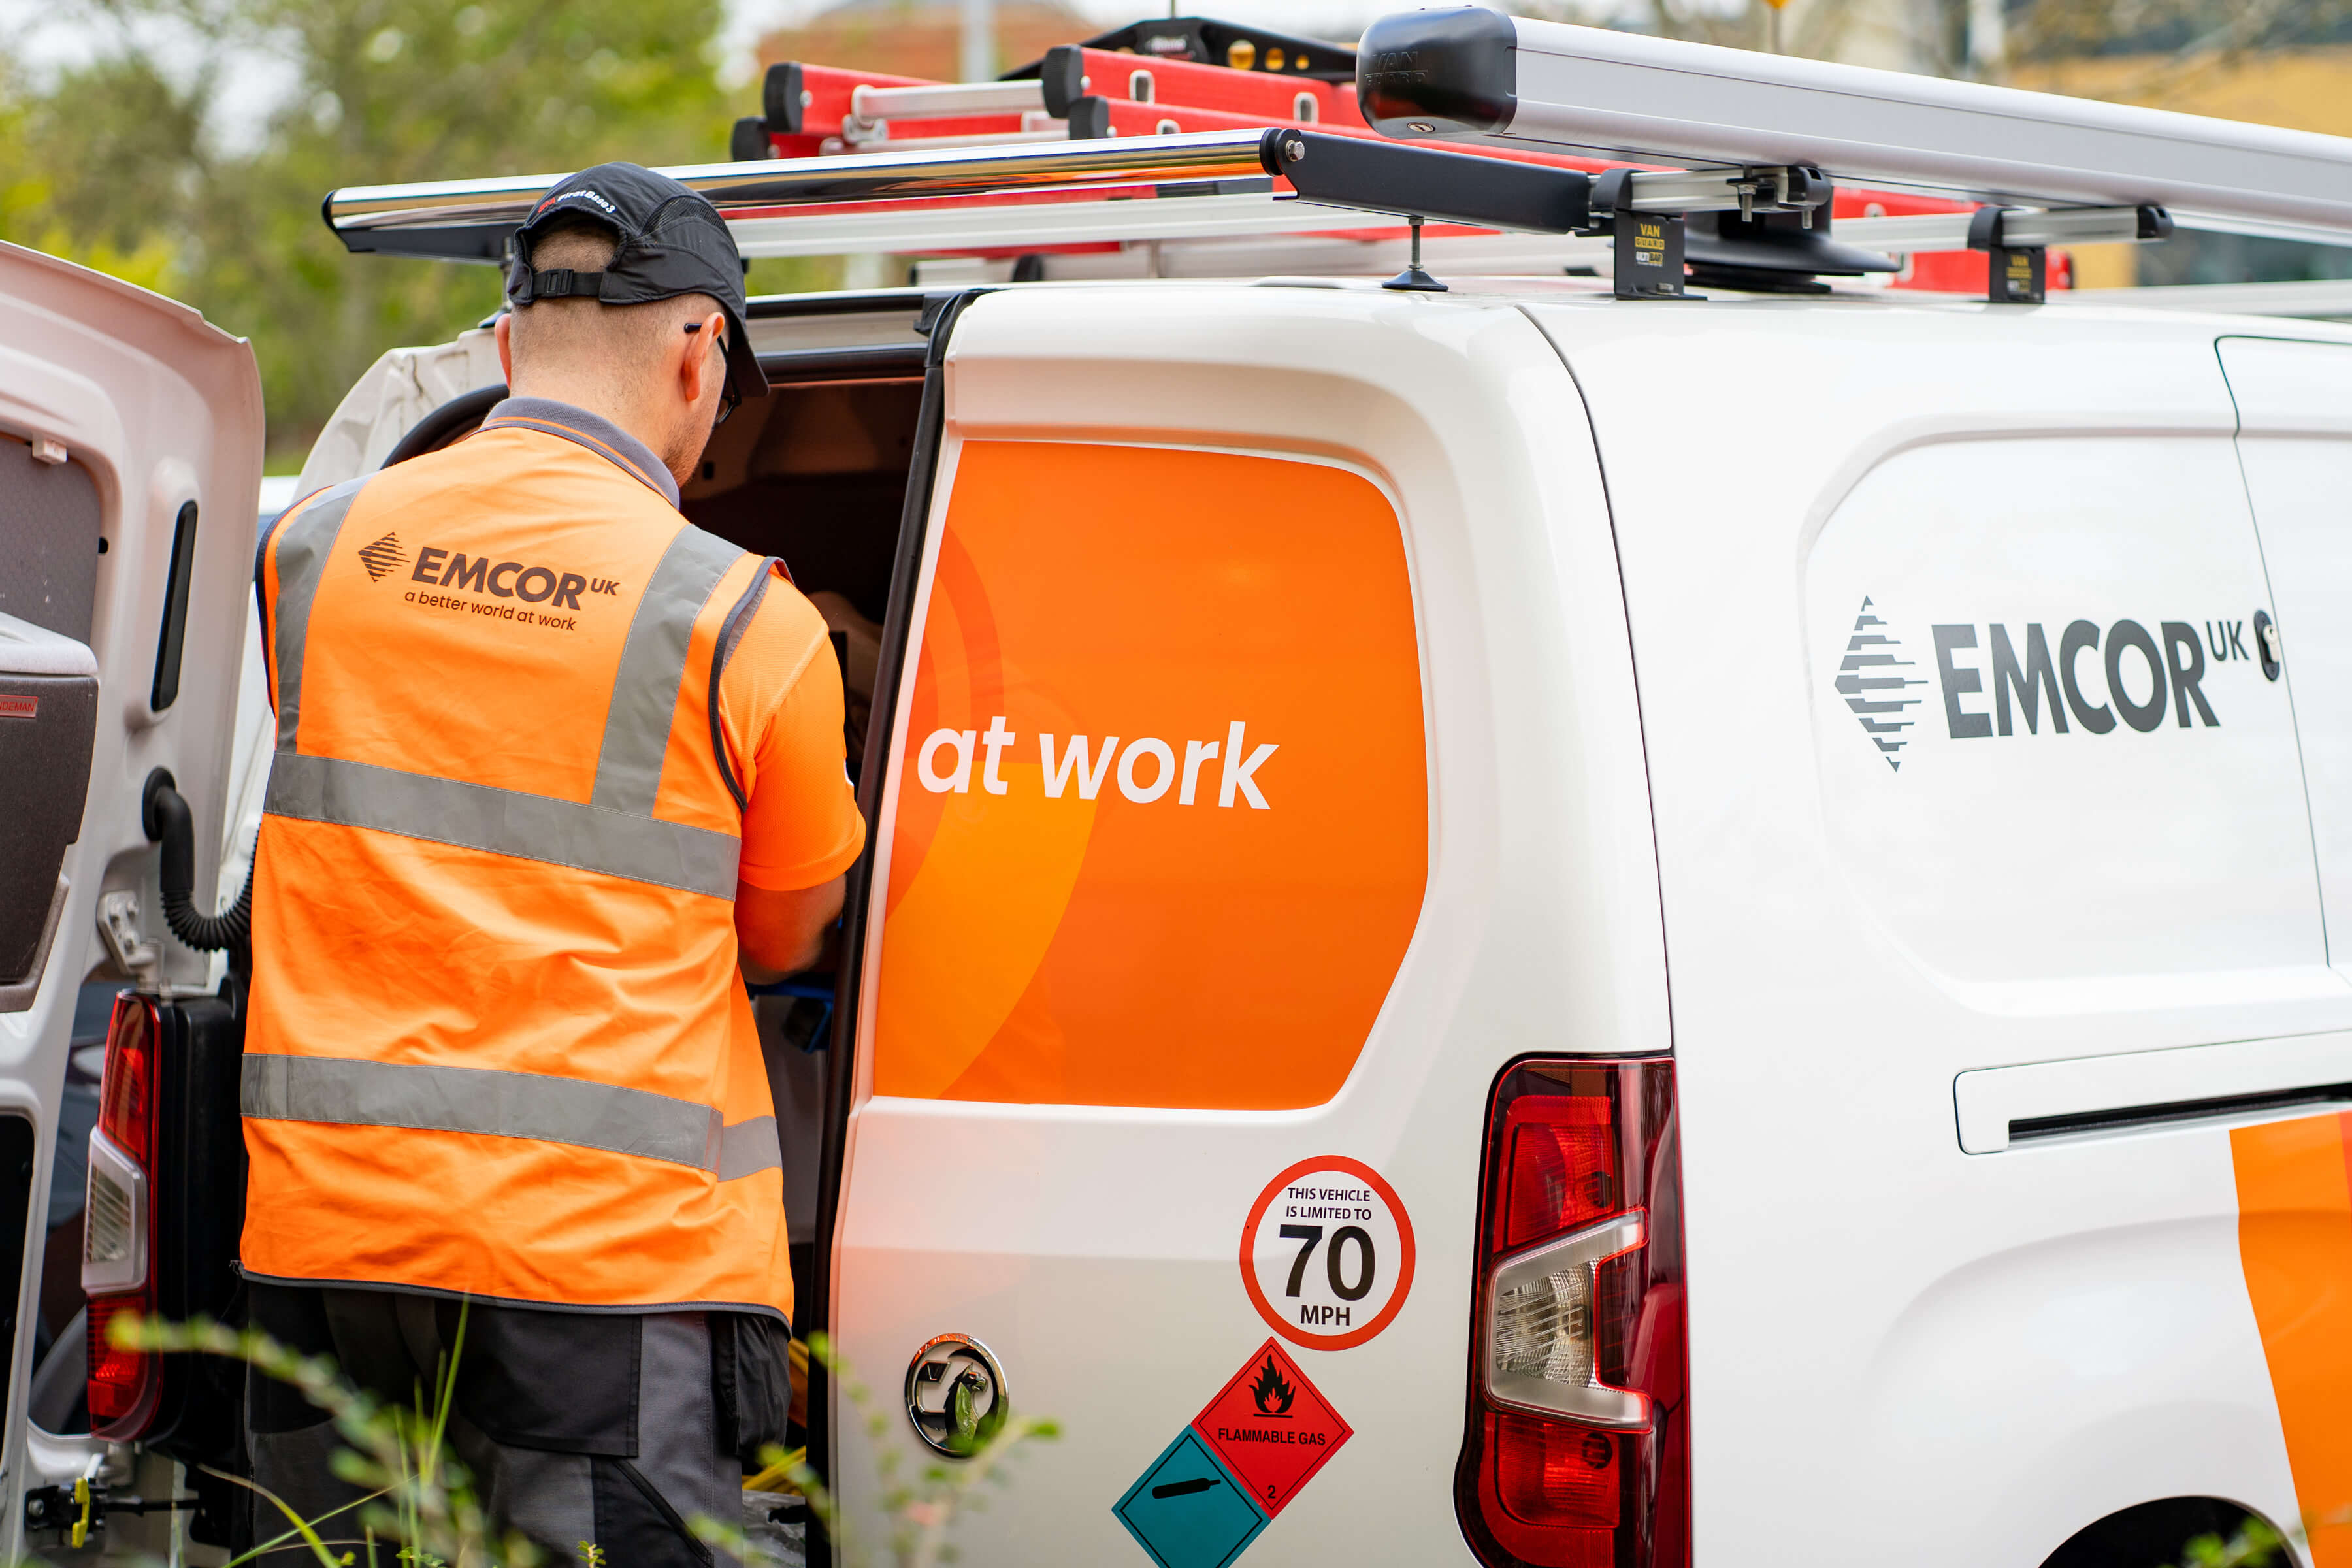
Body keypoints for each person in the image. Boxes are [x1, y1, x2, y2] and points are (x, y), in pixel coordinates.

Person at [241, 163, 864, 1565]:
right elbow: (785, 937)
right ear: (701, 348)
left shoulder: (312, 552)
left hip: (323, 1243)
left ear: (510, 341)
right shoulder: (745, 625)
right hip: (599, 1278)